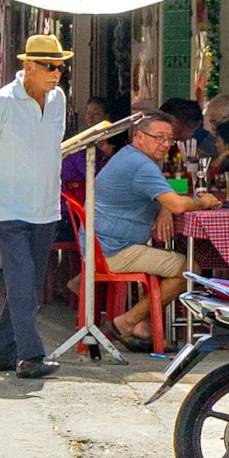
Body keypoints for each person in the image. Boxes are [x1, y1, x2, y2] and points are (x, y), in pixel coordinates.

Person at [0, 30, 74, 377]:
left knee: (26, 283)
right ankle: (30, 357)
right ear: (28, 66)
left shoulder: (58, 98)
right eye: (49, 66)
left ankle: (5, 352)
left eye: (60, 66)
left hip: (46, 207)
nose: (56, 73)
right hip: (10, 209)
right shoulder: (2, 102)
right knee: (24, 281)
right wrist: (3, 183)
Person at [86, 111, 197, 349]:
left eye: (169, 138)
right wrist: (205, 202)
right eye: (158, 137)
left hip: (102, 243)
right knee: (189, 269)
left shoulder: (129, 156)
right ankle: (127, 322)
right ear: (139, 137)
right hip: (114, 250)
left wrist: (162, 207)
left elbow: (165, 197)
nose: (165, 144)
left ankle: (144, 328)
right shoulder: (141, 165)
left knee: (164, 263)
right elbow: (178, 203)